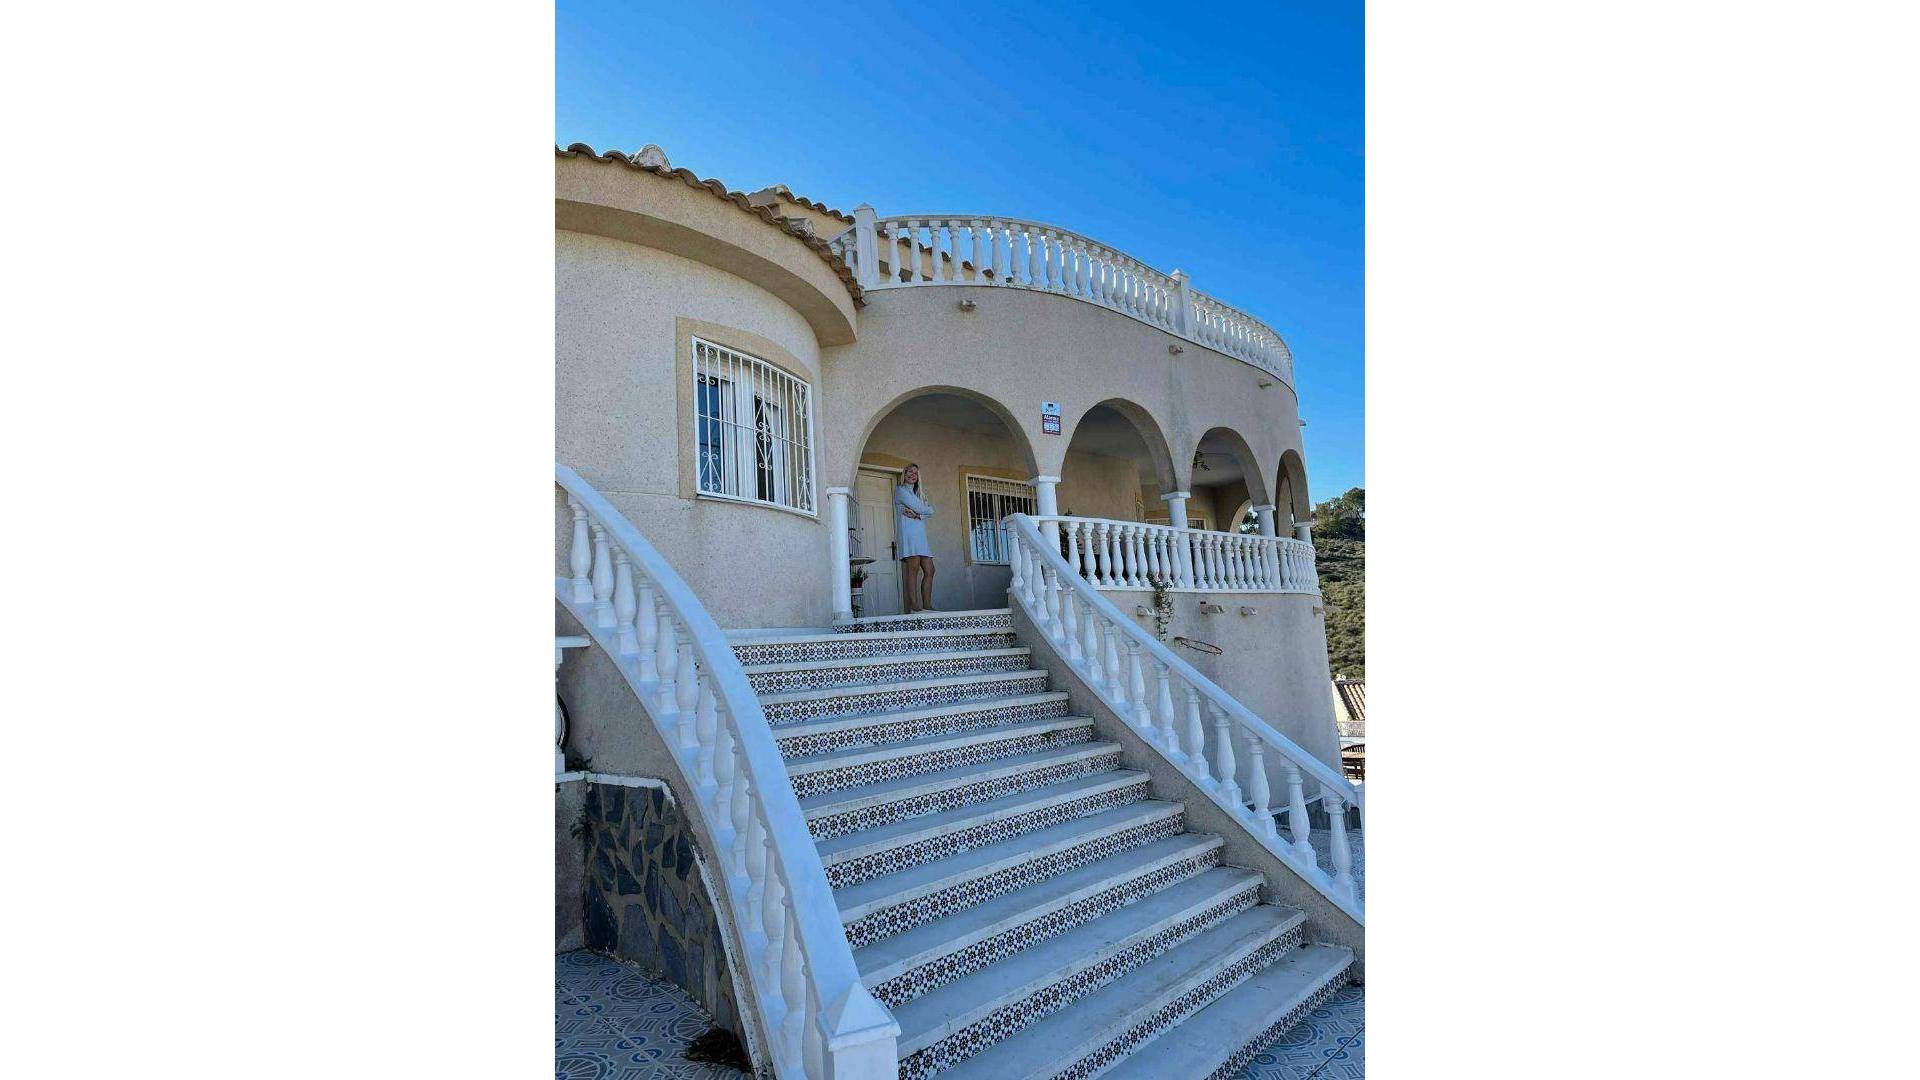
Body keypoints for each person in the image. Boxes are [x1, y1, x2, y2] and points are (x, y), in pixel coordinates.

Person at [895, 464, 936, 613]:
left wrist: (919, 515)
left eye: (916, 473)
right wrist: (923, 512)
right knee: (913, 569)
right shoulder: (901, 490)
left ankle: (927, 605)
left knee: (930, 570)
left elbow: (930, 510)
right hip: (909, 534)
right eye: (910, 472)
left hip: (921, 535)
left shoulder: (920, 494)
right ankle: (913, 605)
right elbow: (922, 508)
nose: (913, 475)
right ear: (904, 474)